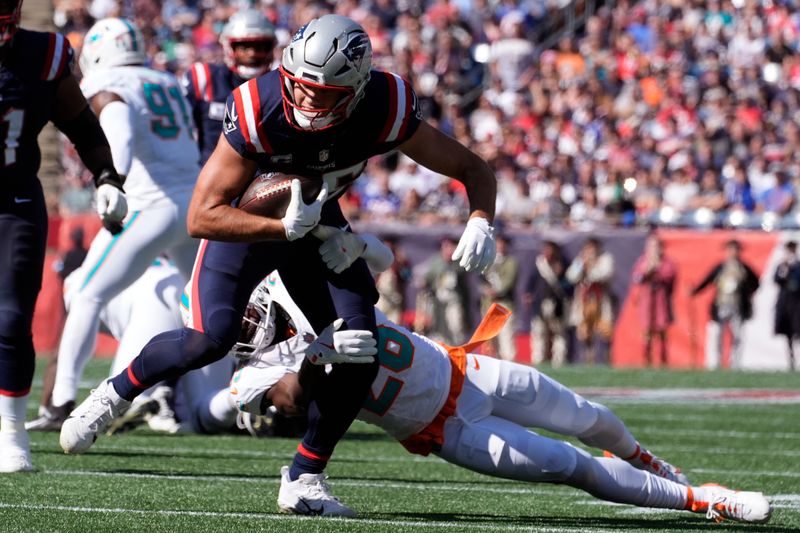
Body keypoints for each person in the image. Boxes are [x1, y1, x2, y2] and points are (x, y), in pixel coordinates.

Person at [60, 14, 498, 517]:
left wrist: (481, 219)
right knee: (210, 338)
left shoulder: (385, 105)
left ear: (355, 90)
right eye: (299, 85)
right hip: (251, 219)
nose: (307, 99)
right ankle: (113, 394)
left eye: (324, 91)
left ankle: (305, 478)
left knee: (360, 346)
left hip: (318, 223)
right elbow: (203, 216)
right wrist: (282, 230)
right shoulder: (258, 105)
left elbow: (471, 167)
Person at [228, 252, 771, 526]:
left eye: (257, 310)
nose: (252, 323)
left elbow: (375, 262)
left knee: (590, 415)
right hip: (448, 427)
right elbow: (290, 401)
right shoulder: (263, 360)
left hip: (463, 369)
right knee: (570, 464)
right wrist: (317, 356)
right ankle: (705, 501)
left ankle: (648, 461)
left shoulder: (315, 282)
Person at [28, 18, 202, 431]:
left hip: (149, 203)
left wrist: (113, 179)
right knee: (201, 305)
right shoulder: (161, 79)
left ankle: (59, 402)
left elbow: (118, 127)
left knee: (86, 293)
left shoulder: (108, 83)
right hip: (193, 203)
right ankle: (207, 403)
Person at [0, 0, 127, 472]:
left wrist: (108, 176)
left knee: (12, 317)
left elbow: (78, 121)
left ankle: (11, 435)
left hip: (11, 200)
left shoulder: (41, 54)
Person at [182, 8, 276, 165]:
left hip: (261, 179)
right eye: (243, 47)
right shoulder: (205, 78)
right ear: (228, 47)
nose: (252, 53)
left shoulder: (278, 86)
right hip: (209, 176)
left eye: (259, 47)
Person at [691, 240, 759, 370]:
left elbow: (756, 283)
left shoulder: (744, 268)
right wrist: (695, 291)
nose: (733, 252)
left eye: (735, 249)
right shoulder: (721, 267)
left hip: (738, 305)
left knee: (737, 336)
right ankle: (715, 364)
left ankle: (735, 364)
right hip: (720, 305)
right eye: (730, 249)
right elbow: (707, 280)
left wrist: (746, 294)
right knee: (717, 335)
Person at [566, 238, 615, 364]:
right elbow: (571, 277)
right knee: (584, 332)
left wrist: (592, 266)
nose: (589, 251)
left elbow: (603, 275)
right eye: (587, 248)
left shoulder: (605, 259)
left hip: (600, 301)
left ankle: (606, 358)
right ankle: (589, 358)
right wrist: (582, 266)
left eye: (592, 248)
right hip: (584, 301)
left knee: (605, 330)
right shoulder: (579, 261)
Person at [631, 234, 676, 366]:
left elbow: (670, 278)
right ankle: (646, 361)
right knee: (646, 331)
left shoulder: (667, 263)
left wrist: (657, 270)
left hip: (660, 299)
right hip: (646, 299)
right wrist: (647, 270)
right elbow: (637, 278)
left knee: (661, 330)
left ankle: (663, 361)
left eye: (656, 246)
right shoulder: (643, 261)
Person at [526, 240, 571, 367]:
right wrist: (529, 294)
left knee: (559, 334)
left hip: (557, 305)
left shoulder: (564, 264)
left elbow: (569, 285)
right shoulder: (539, 264)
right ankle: (538, 360)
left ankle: (559, 361)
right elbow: (531, 281)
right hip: (541, 304)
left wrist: (560, 276)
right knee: (539, 333)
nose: (548, 252)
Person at [480, 233, 518, 360]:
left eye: (502, 243)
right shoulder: (488, 261)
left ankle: (509, 364)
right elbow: (480, 280)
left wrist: (494, 290)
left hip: (503, 304)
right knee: (490, 341)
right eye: (497, 242)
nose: (500, 246)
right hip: (488, 304)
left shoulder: (510, 262)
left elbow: (507, 283)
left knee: (506, 338)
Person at [773, 240, 800, 371]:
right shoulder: (782, 266)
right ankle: (791, 361)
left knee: (798, 330)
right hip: (785, 302)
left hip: (797, 302)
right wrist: (785, 269)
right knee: (788, 332)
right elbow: (777, 280)